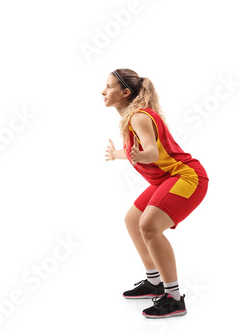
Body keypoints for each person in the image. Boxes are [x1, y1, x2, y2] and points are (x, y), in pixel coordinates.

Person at [102, 69, 208, 318]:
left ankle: (173, 298)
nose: (103, 91)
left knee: (148, 225)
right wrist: (118, 153)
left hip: (187, 177)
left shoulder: (138, 117)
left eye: (109, 86)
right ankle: (154, 282)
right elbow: (138, 151)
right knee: (132, 220)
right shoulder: (132, 117)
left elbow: (151, 152)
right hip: (167, 179)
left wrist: (141, 156)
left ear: (125, 92)